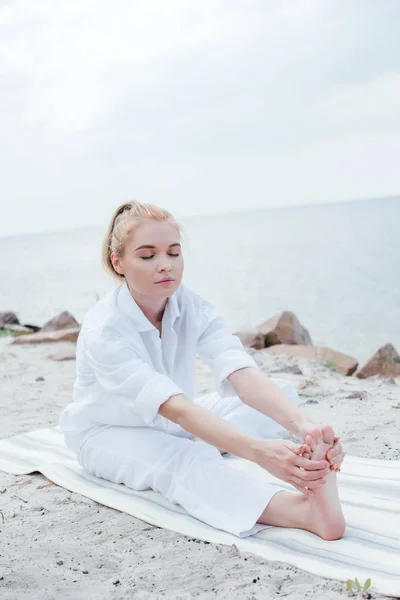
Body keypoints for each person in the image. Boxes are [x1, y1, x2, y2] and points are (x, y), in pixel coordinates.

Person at [59, 200, 345, 540]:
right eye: (147, 256)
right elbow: (176, 408)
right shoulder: (104, 330)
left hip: (175, 422)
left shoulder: (189, 305)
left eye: (173, 253)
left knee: (280, 395)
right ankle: (304, 512)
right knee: (186, 459)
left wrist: (305, 429)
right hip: (109, 433)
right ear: (117, 262)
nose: (165, 265)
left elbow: (240, 371)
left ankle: (297, 457)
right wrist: (259, 453)